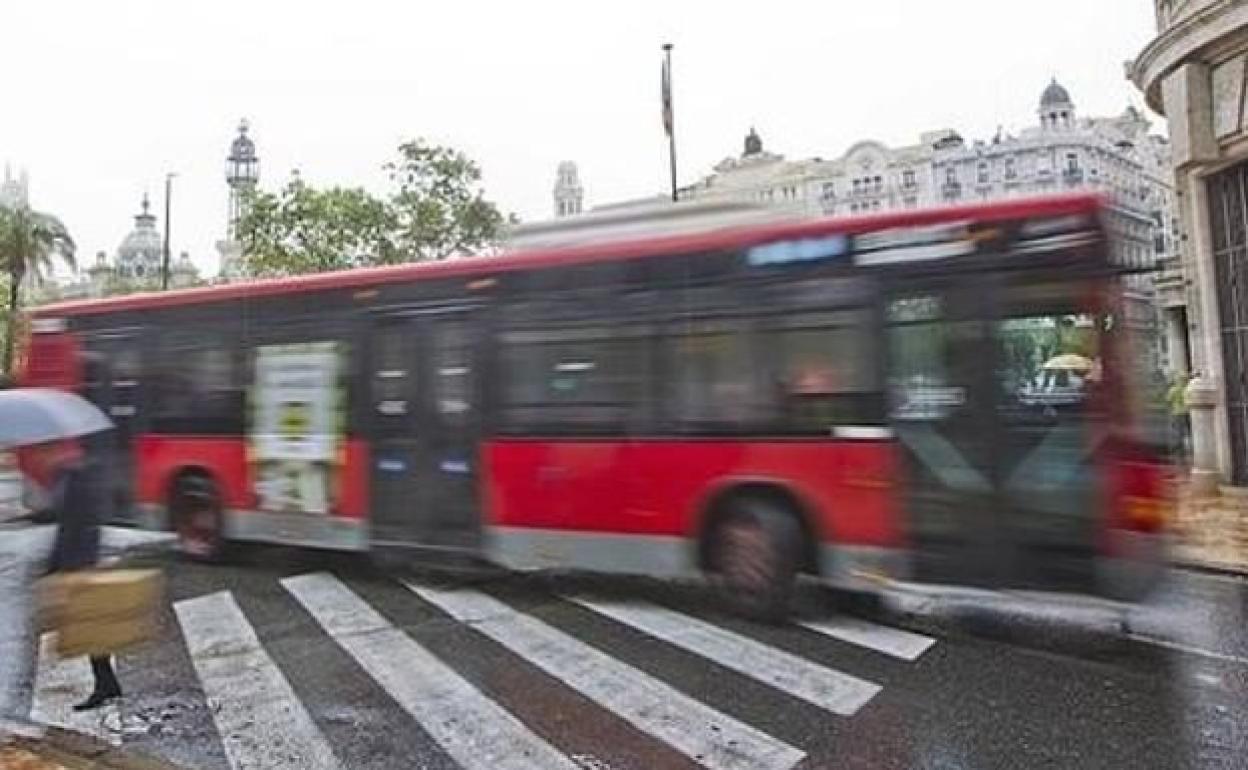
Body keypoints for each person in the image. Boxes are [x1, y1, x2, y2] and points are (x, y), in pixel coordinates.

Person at [21, 438, 123, 711]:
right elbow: (66, 519)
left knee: (88, 625)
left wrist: (59, 568)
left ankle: (106, 684)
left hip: (80, 562)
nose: (42, 457)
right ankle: (107, 683)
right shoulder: (76, 474)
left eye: (46, 450)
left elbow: (74, 524)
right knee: (90, 624)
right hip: (80, 559)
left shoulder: (76, 476)